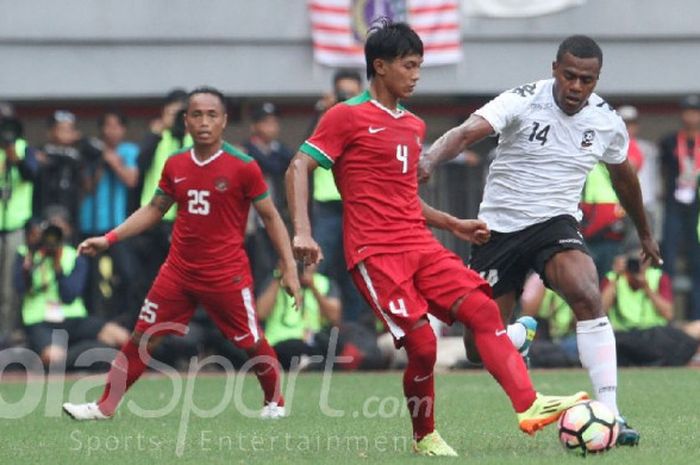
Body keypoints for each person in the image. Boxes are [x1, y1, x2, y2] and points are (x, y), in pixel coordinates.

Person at [286, 20, 587, 457]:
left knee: (483, 309)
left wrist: (453, 224)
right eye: (409, 66)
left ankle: (529, 404)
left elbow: (403, 196)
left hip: (420, 245)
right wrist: (302, 230)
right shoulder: (345, 116)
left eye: (420, 66)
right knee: (423, 346)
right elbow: (298, 166)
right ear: (381, 66)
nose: (416, 74)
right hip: (376, 253)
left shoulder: (412, 125)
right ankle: (424, 435)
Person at [419, 35, 661, 446]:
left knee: (587, 294)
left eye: (587, 80)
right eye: (569, 76)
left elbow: (624, 178)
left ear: (596, 79)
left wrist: (645, 232)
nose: (576, 87)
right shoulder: (522, 100)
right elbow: (464, 133)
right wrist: (427, 159)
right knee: (477, 349)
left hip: (556, 223)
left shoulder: (606, 121)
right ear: (555, 69)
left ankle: (612, 413)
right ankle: (517, 335)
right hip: (498, 229)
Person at [62, 86, 301, 421]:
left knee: (249, 340)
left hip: (225, 274)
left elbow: (271, 217)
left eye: (211, 115)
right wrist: (110, 238)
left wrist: (288, 266)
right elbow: (155, 208)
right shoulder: (175, 164)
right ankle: (104, 406)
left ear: (224, 121)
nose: (204, 121)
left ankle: (275, 402)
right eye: (197, 114)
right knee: (143, 336)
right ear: (186, 121)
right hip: (178, 271)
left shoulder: (243, 166)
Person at [14, 209, 129, 367]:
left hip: (72, 318)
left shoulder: (75, 255)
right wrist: (29, 267)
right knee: (54, 358)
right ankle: (90, 353)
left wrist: (57, 267)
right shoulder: (27, 254)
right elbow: (19, 288)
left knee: (120, 337)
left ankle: (88, 353)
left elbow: (69, 295)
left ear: (68, 230)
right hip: (40, 320)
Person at [310, 69, 368, 323]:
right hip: (327, 207)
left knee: (357, 268)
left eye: (352, 95)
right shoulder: (324, 118)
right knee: (318, 268)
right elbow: (307, 151)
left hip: (357, 206)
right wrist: (325, 111)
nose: (346, 100)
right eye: (342, 94)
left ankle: (356, 333)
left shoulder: (367, 116)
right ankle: (315, 326)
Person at [80, 111, 139, 318]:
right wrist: (99, 162)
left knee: (126, 273)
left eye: (116, 126)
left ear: (123, 129)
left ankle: (123, 317)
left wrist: (113, 162)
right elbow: (86, 187)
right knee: (90, 277)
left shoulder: (129, 150)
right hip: (91, 223)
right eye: (107, 126)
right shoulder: (92, 152)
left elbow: (131, 180)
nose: (111, 131)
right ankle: (94, 318)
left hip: (117, 226)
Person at [602, 252, 699, 366]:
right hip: (625, 333)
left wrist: (647, 288)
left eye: (642, 261)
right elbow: (601, 311)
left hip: (655, 333)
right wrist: (616, 278)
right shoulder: (613, 278)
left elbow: (668, 314)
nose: (638, 265)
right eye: (634, 262)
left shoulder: (658, 277)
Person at [660, 95, 700, 320]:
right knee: (669, 262)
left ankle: (696, 318)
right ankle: (668, 316)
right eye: (687, 111)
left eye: (695, 112)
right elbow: (663, 172)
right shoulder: (670, 141)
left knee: (697, 263)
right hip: (674, 205)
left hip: (697, 209)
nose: (691, 116)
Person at [257, 262, 341, 370]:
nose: (303, 265)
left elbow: (334, 317)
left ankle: (305, 362)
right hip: (279, 344)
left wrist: (313, 287)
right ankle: (306, 363)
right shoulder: (274, 280)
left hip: (311, 343)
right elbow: (260, 313)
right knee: (292, 348)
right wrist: (279, 278)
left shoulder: (324, 283)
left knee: (332, 345)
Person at [0, 102, 38, 339]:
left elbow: (32, 175)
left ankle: (5, 334)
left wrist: (15, 157)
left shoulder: (24, 149)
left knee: (9, 289)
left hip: (14, 229)